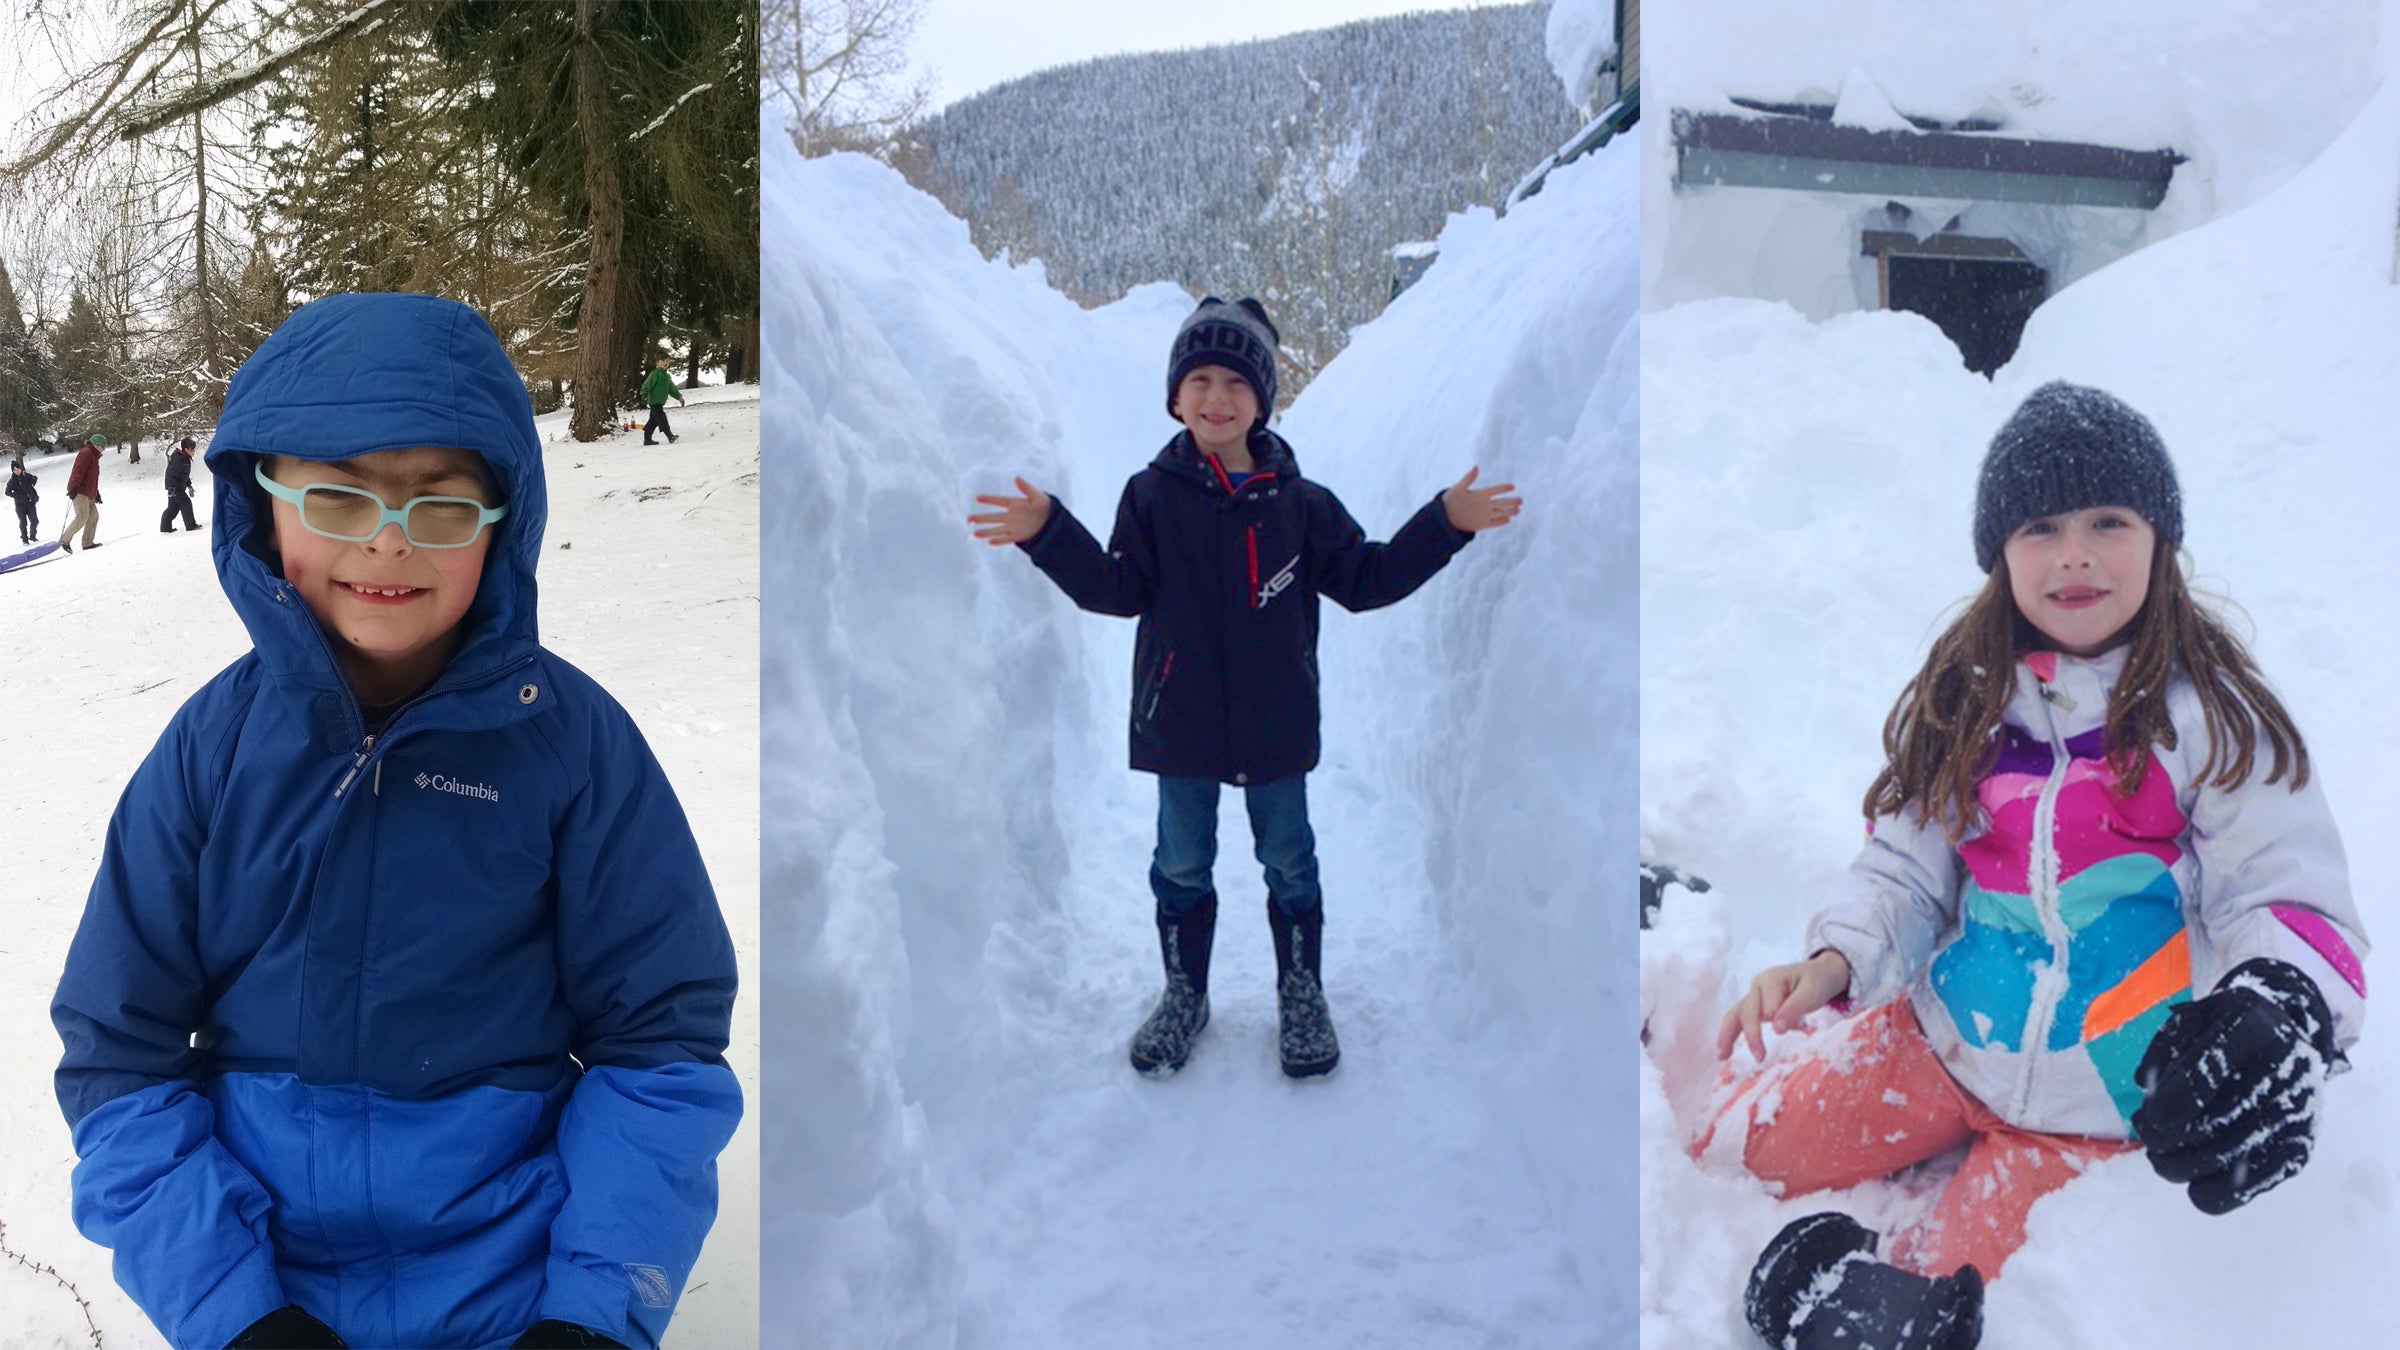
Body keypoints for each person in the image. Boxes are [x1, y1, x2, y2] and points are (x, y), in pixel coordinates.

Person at [50, 293, 741, 1350]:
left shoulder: (575, 749)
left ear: (501, 525)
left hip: (518, 1286)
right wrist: (237, 1315)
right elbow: (119, 1058)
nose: (389, 544)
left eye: (441, 506)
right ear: (264, 506)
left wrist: (591, 1315)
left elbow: (659, 1049)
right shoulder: (210, 752)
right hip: (260, 1283)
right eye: (339, 498)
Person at [1697, 382, 2368, 1350]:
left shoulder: (2216, 722)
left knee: (1954, 1292)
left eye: (2108, 520)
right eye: (2041, 527)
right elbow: (1904, 868)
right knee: (1737, 1150)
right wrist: (1837, 959)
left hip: (2099, 1096)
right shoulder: (1969, 701)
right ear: (1999, 554)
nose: (2076, 555)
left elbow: (2293, 902)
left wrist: (2278, 1007)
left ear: (2160, 538)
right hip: (1941, 1036)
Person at [967, 296, 1523, 1078]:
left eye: (1234, 380)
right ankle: (1184, 994)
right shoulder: (1150, 496)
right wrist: (1049, 532)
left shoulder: (1299, 505)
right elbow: (1117, 589)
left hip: (1274, 726)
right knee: (1181, 864)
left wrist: (1447, 521)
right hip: (1180, 722)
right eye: (1199, 378)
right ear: (1175, 396)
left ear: (1261, 400)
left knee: (1289, 861)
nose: (1215, 397)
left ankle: (1301, 992)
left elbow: (1367, 579)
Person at [58, 431, 102, 552]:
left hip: (89, 492)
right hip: (79, 491)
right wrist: (73, 489)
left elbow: (91, 477)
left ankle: (87, 543)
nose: (103, 450)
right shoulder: (86, 453)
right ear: (96, 445)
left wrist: (96, 493)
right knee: (82, 517)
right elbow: (78, 472)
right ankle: (64, 540)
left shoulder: (93, 456)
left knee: (94, 516)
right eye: (102, 447)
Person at [160, 434, 201, 532]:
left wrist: (189, 486)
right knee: (186, 503)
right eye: (193, 450)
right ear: (186, 449)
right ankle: (190, 525)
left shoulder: (184, 458)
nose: (194, 452)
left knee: (173, 509)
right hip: (175, 488)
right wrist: (171, 487)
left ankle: (165, 528)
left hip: (177, 487)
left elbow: (183, 475)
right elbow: (171, 473)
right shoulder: (178, 458)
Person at [641, 356, 684, 445]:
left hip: (660, 402)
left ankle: (647, 439)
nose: (666, 362)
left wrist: (679, 397)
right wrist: (644, 394)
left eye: (667, 361)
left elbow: (672, 389)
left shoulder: (666, 376)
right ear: (657, 363)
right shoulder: (655, 374)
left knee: (653, 421)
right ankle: (670, 436)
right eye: (663, 360)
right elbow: (647, 384)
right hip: (654, 401)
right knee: (662, 419)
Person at [7, 458, 35, 544]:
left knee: (35, 521)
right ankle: (25, 540)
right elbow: (7, 492)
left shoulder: (25, 476)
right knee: (23, 523)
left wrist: (32, 483)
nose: (17, 471)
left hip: (30, 503)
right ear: (13, 471)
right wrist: (17, 495)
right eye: (15, 470)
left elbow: (34, 478)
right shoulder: (12, 481)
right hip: (20, 506)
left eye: (18, 468)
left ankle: (33, 536)